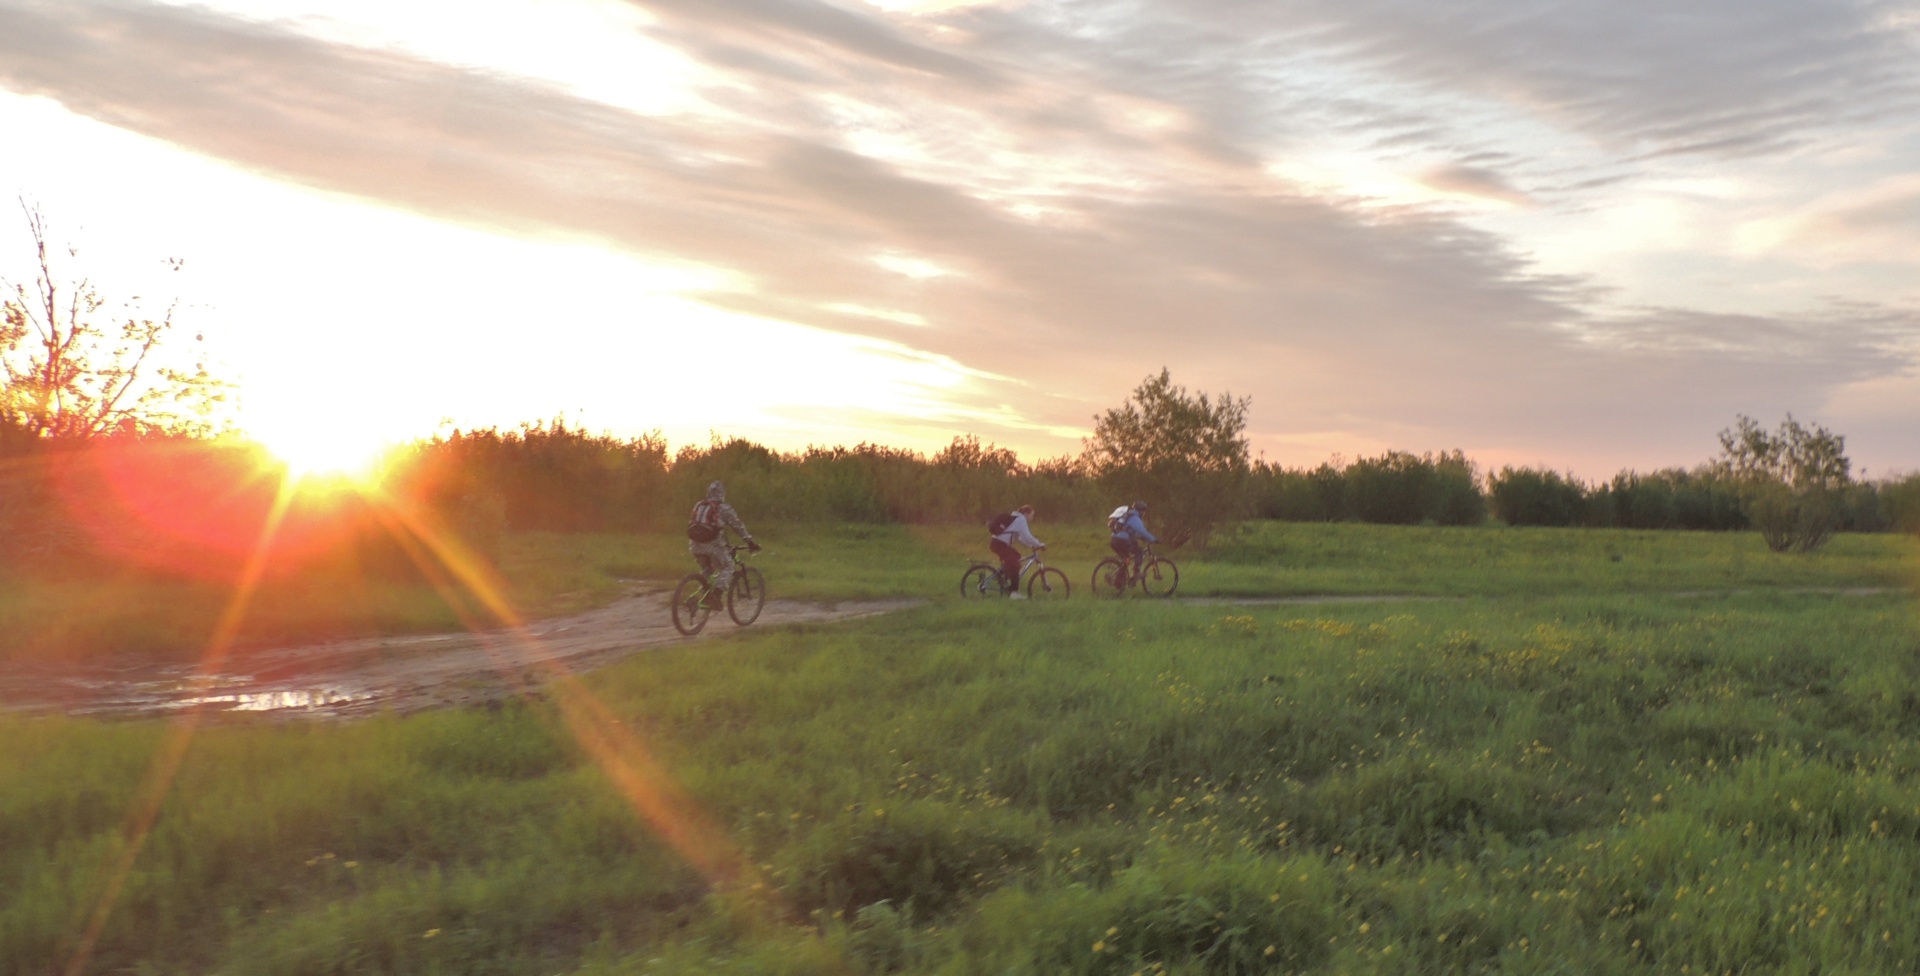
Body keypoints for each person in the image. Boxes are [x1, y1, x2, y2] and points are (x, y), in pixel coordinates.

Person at [687, 480, 759, 609]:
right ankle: (715, 597)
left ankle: (700, 598)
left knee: (707, 570)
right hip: (712, 546)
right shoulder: (724, 508)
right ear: (722, 494)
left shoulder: (699, 505)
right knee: (728, 567)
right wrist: (750, 542)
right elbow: (737, 526)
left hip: (695, 545)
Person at [988, 504, 1044, 597]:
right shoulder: (1021, 520)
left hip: (998, 543)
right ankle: (1014, 592)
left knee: (1017, 557)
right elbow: (1027, 536)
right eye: (1032, 515)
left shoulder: (1016, 519)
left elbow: (1019, 538)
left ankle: (1003, 577)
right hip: (999, 544)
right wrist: (1039, 544)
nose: (1032, 518)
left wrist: (1030, 545)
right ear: (1026, 513)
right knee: (1015, 564)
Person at [1108, 500, 1158, 584]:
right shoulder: (1134, 517)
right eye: (1144, 511)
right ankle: (1136, 573)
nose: (1144, 513)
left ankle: (1120, 582)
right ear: (1141, 511)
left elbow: (1133, 531)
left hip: (1116, 539)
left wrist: (1142, 538)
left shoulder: (1128, 516)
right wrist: (1154, 539)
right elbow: (1142, 531)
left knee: (1126, 560)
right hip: (1122, 540)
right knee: (1139, 552)